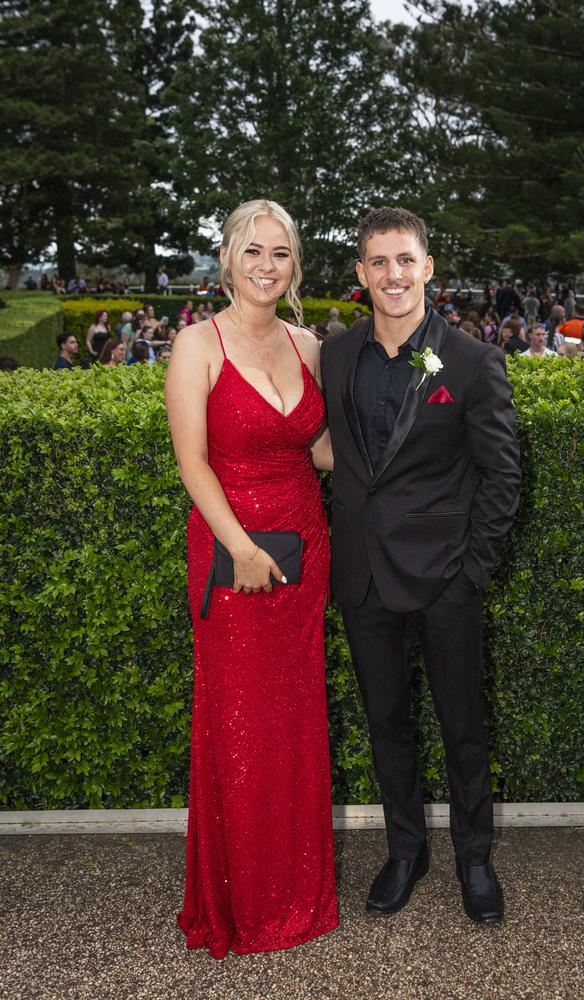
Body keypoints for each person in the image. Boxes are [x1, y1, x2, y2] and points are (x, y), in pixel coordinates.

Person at [320, 206, 520, 926]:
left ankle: (474, 856)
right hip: (364, 577)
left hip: (446, 580)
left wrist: (472, 571)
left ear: (427, 268)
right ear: (361, 275)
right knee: (386, 721)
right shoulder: (335, 356)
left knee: (463, 724)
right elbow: (329, 453)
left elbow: (501, 477)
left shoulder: (470, 362)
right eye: (378, 262)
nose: (393, 274)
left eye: (405, 260)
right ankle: (406, 848)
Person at [166, 198, 339, 959]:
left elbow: (328, 451)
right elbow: (192, 462)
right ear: (229, 258)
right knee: (240, 725)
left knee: (294, 721)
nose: (267, 267)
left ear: (294, 265)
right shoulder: (195, 344)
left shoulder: (310, 345)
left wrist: (421, 430)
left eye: (281, 254)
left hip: (306, 555)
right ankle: (242, 904)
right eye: (254, 252)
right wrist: (237, 545)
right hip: (234, 557)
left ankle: (300, 894)